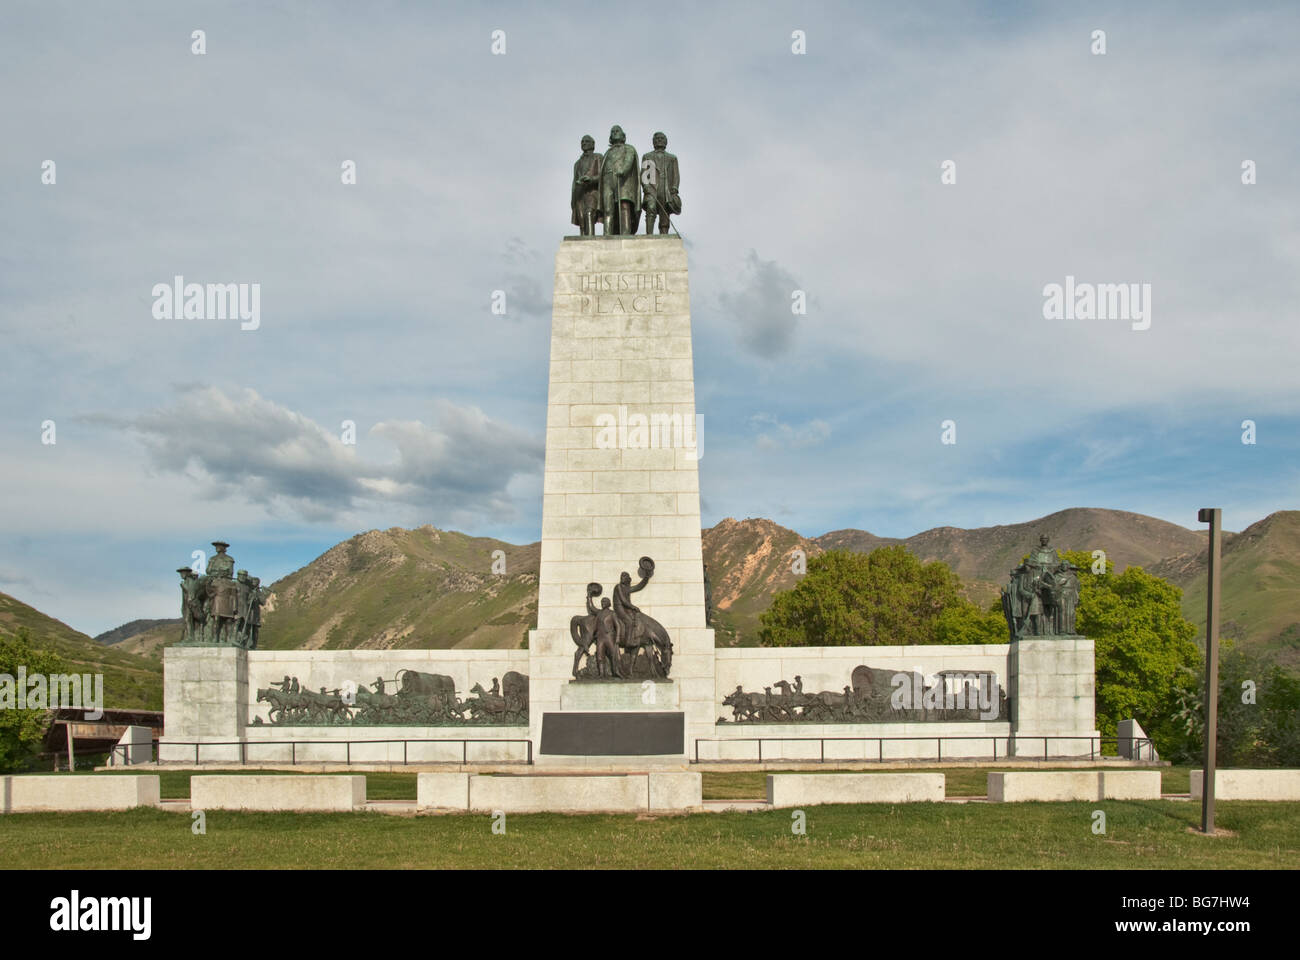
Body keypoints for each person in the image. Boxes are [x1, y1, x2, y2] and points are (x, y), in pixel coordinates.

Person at [599, 125, 640, 235]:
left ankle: (625, 234)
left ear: (623, 136)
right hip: (608, 181)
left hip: (624, 181)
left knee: (624, 206)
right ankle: (607, 234)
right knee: (608, 209)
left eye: (617, 131)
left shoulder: (629, 148)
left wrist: (623, 170)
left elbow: (629, 161)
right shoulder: (607, 153)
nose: (615, 133)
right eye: (612, 132)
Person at [640, 131, 680, 234]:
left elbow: (676, 175)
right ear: (653, 142)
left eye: (662, 138)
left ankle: (664, 235)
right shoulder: (647, 156)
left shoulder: (672, 158)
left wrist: (674, 189)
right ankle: (649, 234)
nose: (659, 140)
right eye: (657, 138)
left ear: (666, 142)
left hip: (665, 188)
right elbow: (644, 174)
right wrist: (646, 187)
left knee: (664, 214)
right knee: (651, 208)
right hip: (652, 187)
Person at [571, 134, 603, 235]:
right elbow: (574, 183)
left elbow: (604, 176)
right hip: (579, 195)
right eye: (582, 141)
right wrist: (573, 200)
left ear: (593, 144)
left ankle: (590, 242)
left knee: (589, 214)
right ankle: (583, 245)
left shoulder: (598, 157)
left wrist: (591, 179)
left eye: (586, 141)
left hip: (592, 192)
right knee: (581, 221)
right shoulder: (577, 163)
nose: (584, 143)